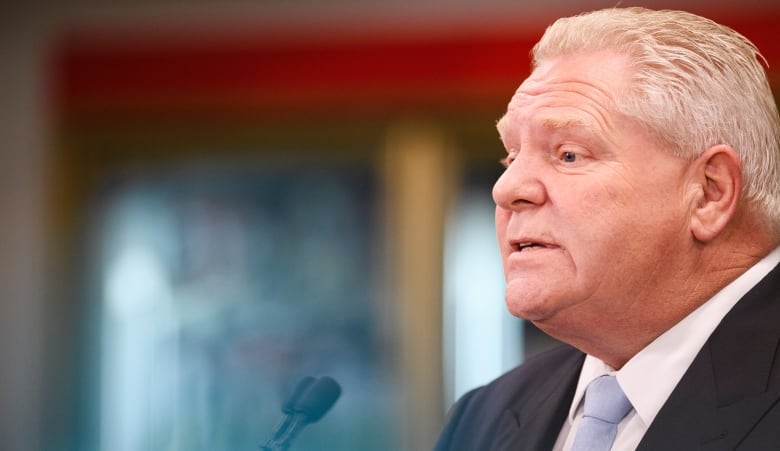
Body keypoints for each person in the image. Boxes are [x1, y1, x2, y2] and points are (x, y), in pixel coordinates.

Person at [434, 6, 780, 451]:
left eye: (569, 154)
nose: (507, 188)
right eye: (511, 156)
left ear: (709, 192)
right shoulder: (484, 415)